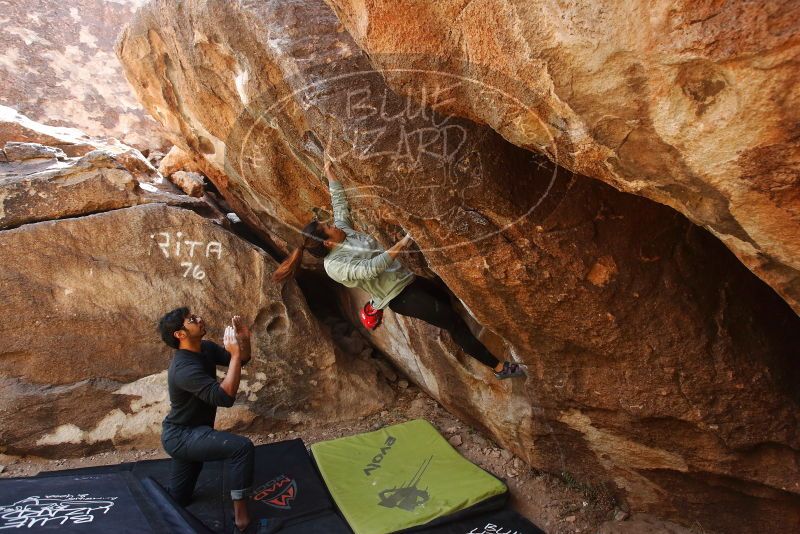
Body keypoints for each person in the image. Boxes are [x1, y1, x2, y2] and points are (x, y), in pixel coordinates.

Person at [272, 160, 524, 379]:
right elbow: (369, 270)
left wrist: (330, 173)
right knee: (454, 322)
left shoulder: (344, 232)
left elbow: (340, 204)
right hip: (400, 297)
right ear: (328, 242)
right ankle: (499, 367)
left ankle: (468, 344)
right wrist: (402, 244)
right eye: (326, 226)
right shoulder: (335, 265)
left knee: (447, 301)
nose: (331, 223)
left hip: (409, 281)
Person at [157, 308, 255, 532]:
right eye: (191, 320)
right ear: (180, 334)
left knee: (177, 501)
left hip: (195, 432)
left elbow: (241, 360)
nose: (199, 319)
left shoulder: (206, 348)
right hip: (181, 436)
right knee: (242, 449)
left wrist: (244, 341)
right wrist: (236, 355)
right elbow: (225, 397)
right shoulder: (183, 369)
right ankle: (242, 520)